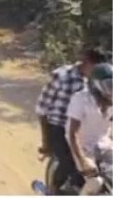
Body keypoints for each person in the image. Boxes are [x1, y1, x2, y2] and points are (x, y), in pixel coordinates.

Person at [36, 48, 109, 191]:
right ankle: (54, 190)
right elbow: (42, 109)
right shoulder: (61, 76)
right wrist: (46, 140)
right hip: (59, 126)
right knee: (71, 164)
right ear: (87, 62)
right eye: (95, 68)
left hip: (86, 128)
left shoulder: (98, 81)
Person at [66, 63, 113, 192]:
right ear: (96, 86)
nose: (111, 91)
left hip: (103, 144)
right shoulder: (80, 99)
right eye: (108, 86)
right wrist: (82, 160)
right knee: (95, 182)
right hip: (83, 146)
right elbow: (73, 133)